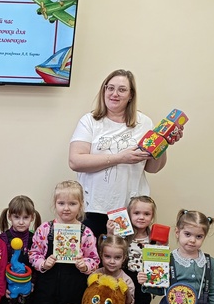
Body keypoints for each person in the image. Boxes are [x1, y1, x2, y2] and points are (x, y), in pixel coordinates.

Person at [68, 69, 180, 237]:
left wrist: (163, 144)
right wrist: (120, 158)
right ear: (104, 90)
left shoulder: (144, 123)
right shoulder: (90, 121)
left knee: (125, 254)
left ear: (131, 95)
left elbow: (153, 168)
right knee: (92, 253)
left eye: (122, 89)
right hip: (93, 207)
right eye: (110, 88)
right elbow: (75, 161)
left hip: (131, 210)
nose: (115, 94)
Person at [111, 195, 158, 304]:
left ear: (152, 217)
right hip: (125, 276)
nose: (141, 217)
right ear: (129, 215)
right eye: (137, 213)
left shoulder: (154, 237)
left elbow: (159, 262)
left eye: (146, 214)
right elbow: (110, 249)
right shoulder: (123, 235)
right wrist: (110, 233)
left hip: (144, 280)